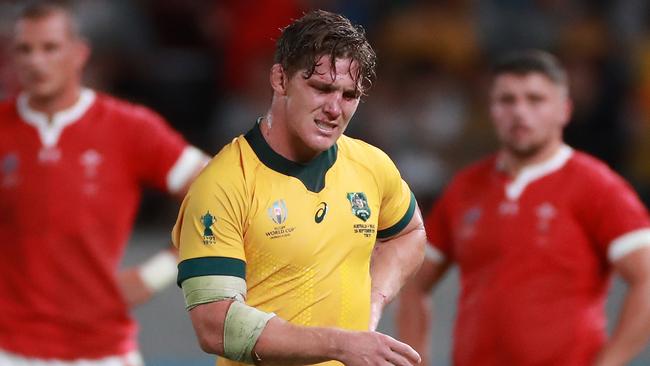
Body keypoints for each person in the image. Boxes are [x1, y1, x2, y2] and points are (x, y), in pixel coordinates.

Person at [173, 10, 426, 366]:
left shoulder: (371, 165)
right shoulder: (223, 184)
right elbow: (215, 325)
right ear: (279, 78)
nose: (334, 109)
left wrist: (373, 301)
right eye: (321, 88)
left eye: (349, 95)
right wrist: (341, 345)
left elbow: (410, 233)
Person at [397, 49, 650, 366]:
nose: (520, 112)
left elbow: (646, 278)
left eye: (535, 99)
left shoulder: (598, 186)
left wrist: (609, 362)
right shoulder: (466, 188)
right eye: (507, 100)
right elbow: (415, 282)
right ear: (492, 110)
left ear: (564, 110)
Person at [0, 1, 209, 365]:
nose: (36, 61)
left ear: (79, 53)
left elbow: (223, 195)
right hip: (9, 346)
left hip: (101, 348)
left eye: (49, 48)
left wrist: (156, 273)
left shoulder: (129, 128)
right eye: (25, 49)